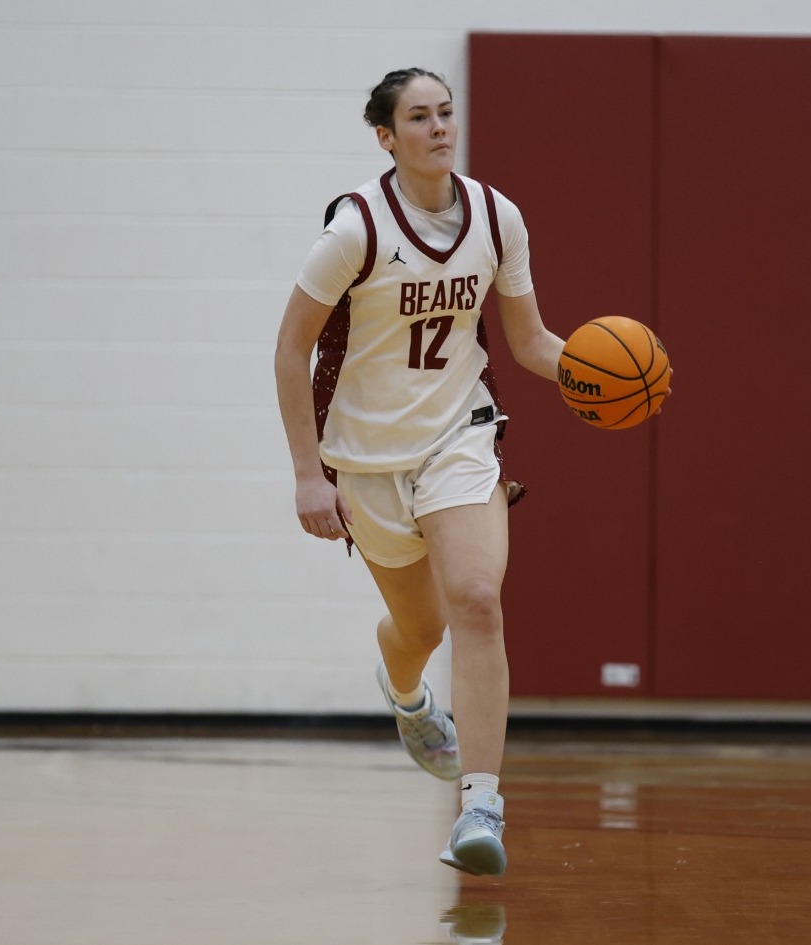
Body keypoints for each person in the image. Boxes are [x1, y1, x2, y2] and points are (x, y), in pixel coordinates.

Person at [273, 67, 564, 877]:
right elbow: (290, 349)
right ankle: (405, 695)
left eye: (446, 113)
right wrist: (307, 475)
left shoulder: (496, 218)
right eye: (419, 117)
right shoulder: (356, 229)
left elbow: (531, 342)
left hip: (459, 437)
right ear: (386, 136)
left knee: (475, 598)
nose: (440, 128)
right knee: (421, 629)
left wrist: (592, 374)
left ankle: (480, 804)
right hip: (365, 456)